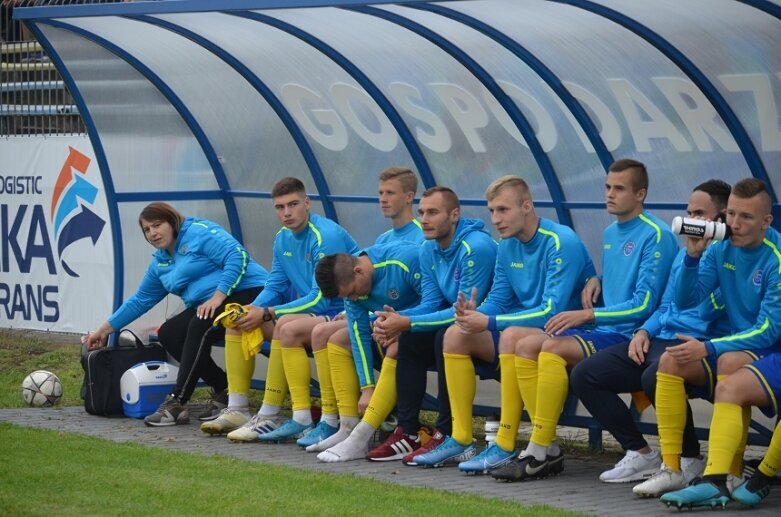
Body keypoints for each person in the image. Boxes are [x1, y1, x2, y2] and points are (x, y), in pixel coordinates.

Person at [491, 159, 678, 481]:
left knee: (552, 348)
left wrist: (588, 313)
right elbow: (623, 278)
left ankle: (539, 450)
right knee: (525, 345)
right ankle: (544, 446)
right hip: (607, 329)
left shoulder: (655, 234)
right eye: (607, 187)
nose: (609, 194)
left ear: (641, 194)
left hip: (637, 335)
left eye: (619, 188)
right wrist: (599, 279)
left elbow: (645, 303)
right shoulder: (610, 232)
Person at [410, 176, 595, 470]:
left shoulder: (561, 241)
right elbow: (498, 298)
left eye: (503, 210)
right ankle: (460, 439)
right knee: (455, 334)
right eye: (492, 211)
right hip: (521, 328)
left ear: (526, 206)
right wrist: (474, 315)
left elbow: (551, 310)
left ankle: (505, 443)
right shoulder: (507, 246)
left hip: (565, 329)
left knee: (510, 336)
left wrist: (491, 320)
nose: (495, 219)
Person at [569, 180, 731, 490]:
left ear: (722, 218)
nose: (692, 220)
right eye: (689, 212)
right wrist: (644, 330)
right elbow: (668, 305)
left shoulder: (730, 257)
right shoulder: (687, 254)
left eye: (700, 213)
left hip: (699, 345)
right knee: (585, 374)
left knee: (654, 375)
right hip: (661, 338)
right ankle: (640, 452)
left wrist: (699, 259)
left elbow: (705, 310)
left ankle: (688, 458)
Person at [83, 202, 268, 427]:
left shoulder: (199, 232)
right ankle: (224, 389)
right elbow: (140, 300)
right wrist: (103, 331)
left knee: (198, 325)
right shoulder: (161, 261)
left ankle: (177, 402)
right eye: (147, 230)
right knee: (170, 333)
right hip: (209, 303)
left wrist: (219, 296)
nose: (153, 233)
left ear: (172, 222)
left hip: (249, 292)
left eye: (157, 225)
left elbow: (237, 257)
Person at [200, 177, 358, 438]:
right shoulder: (282, 238)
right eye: (280, 207)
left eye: (293, 204)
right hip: (311, 313)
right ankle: (237, 407)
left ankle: (271, 414)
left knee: (285, 326)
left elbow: (321, 298)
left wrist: (269, 312)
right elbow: (275, 285)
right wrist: (253, 308)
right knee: (237, 322)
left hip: (338, 312)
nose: (287, 212)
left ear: (307, 204)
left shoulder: (325, 236)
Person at [657, 178, 781, 509]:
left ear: (767, 222)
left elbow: (768, 331)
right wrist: (692, 257)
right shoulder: (720, 248)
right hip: (742, 346)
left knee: (728, 364)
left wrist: (710, 347)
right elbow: (687, 300)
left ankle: (736, 474)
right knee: (670, 361)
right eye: (731, 215)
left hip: (769, 347)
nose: (735, 225)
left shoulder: (775, 258)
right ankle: (675, 469)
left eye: (746, 218)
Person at [357, 186, 497, 463]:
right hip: (460, 326)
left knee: (443, 335)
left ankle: (447, 433)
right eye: (422, 213)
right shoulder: (428, 248)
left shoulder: (476, 247)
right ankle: (408, 431)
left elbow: (467, 313)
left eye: (433, 212)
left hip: (489, 329)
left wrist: (406, 321)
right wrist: (393, 320)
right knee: (410, 339)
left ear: (454, 215)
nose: (424, 219)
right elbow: (431, 303)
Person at [295, 165, 424, 449]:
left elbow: (431, 299)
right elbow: (367, 301)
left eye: (390, 192)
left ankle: (379, 426)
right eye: (380, 193)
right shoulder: (382, 241)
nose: (383, 199)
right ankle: (337, 420)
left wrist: (397, 322)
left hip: (413, 326)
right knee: (333, 334)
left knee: (339, 333)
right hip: (385, 324)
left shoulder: (420, 240)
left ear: (410, 197)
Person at [312, 243, 425, 463]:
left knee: (397, 346)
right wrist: (367, 387)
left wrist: (402, 323)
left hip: (429, 326)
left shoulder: (404, 261)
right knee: (338, 340)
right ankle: (347, 426)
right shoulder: (351, 286)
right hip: (398, 326)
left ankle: (361, 437)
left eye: (353, 292)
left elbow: (436, 300)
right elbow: (358, 334)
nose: (353, 299)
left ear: (359, 271)